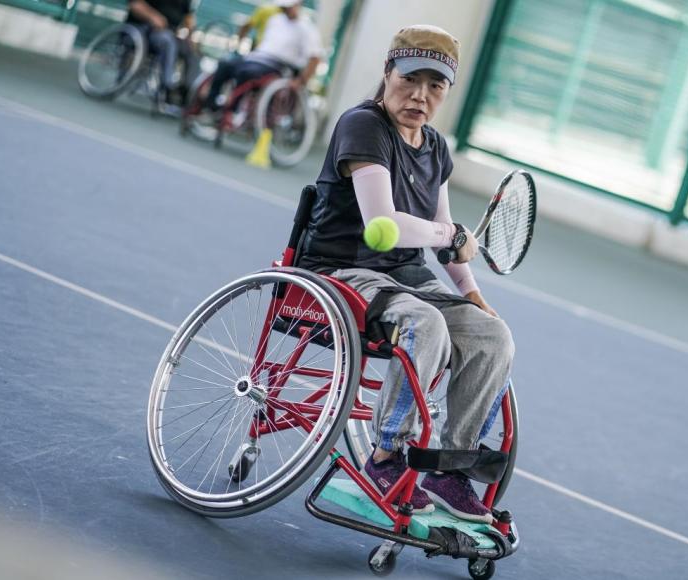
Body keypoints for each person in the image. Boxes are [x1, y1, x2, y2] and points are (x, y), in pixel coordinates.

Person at [299, 25, 514, 524]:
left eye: (434, 86)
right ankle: (386, 457)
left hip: (407, 278)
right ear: (387, 73)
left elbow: (442, 236)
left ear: (446, 91)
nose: (420, 95)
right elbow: (385, 224)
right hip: (342, 270)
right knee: (426, 324)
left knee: (492, 335)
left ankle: (450, 469)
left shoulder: (436, 147)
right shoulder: (362, 126)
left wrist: (472, 292)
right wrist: (451, 234)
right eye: (409, 79)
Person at [201, 0, 322, 112]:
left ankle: (233, 109)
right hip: (257, 57)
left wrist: (301, 81)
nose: (287, 10)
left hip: (278, 65)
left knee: (246, 73)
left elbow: (315, 58)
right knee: (224, 64)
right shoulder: (275, 20)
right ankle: (211, 103)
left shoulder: (307, 29)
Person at [126, 0, 199, 101]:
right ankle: (167, 87)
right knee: (167, 41)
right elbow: (135, 4)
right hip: (144, 29)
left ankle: (187, 94)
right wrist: (153, 17)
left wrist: (191, 36)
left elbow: (188, 17)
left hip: (170, 34)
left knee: (193, 53)